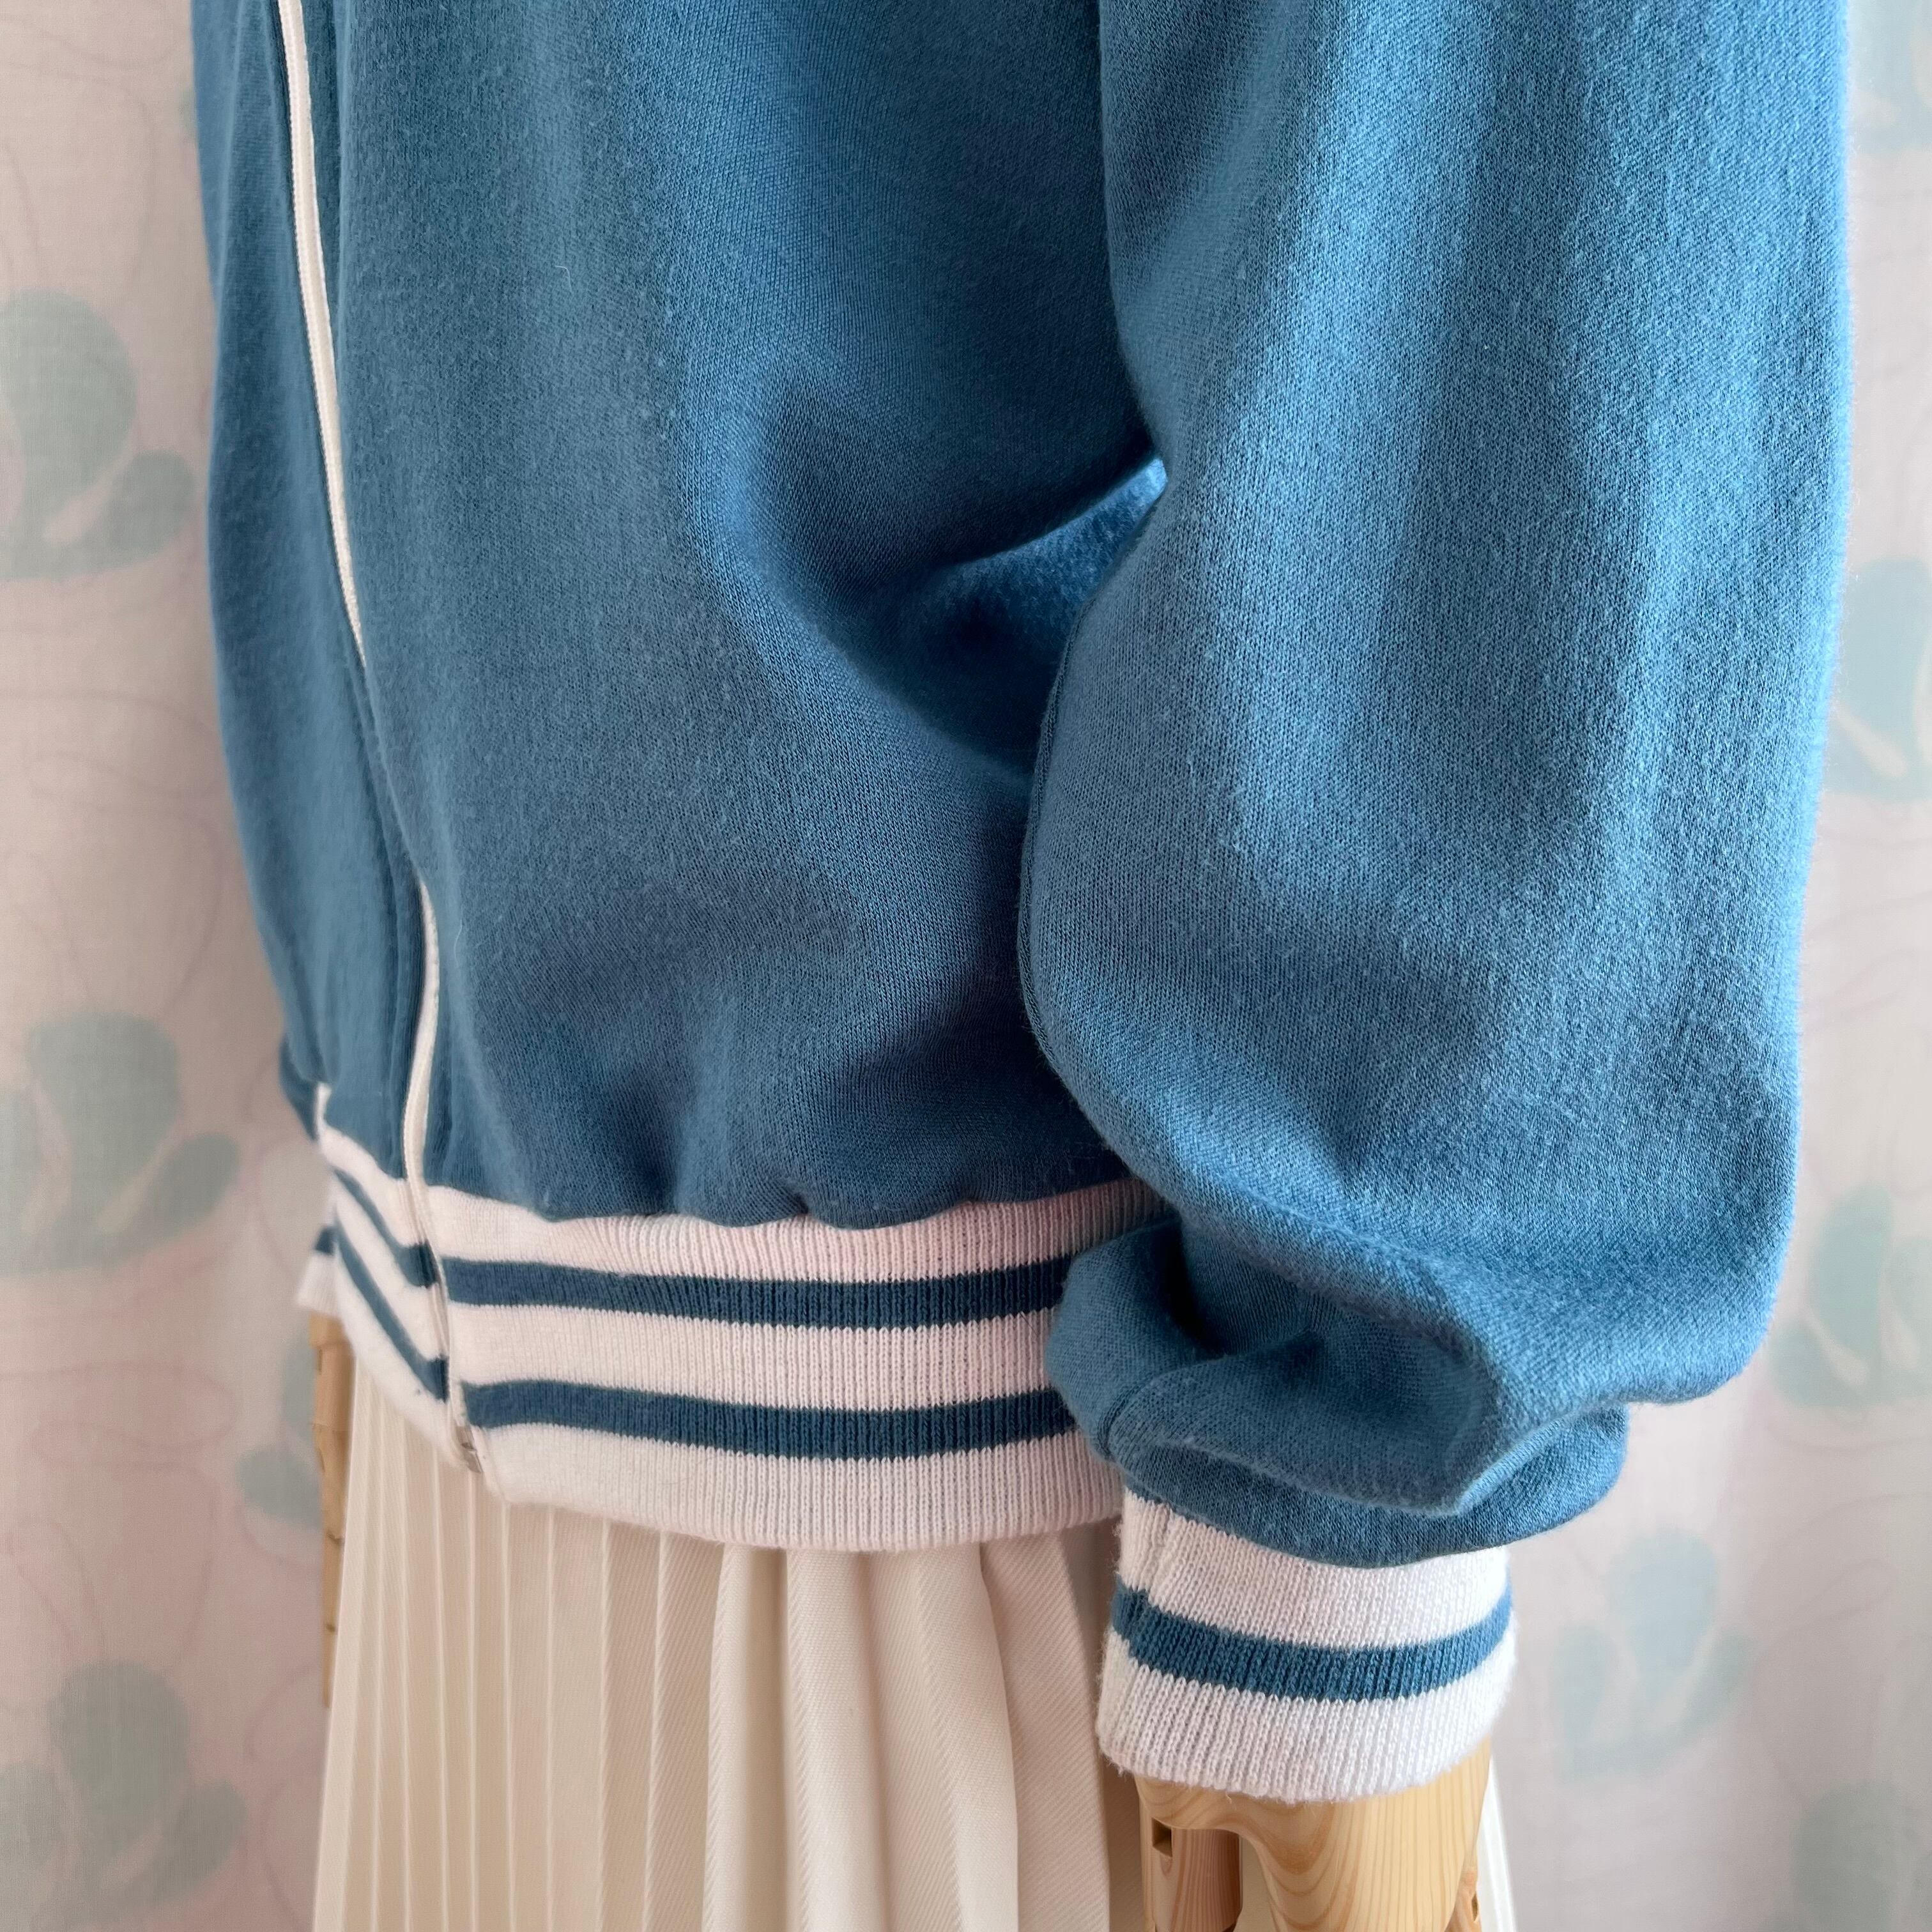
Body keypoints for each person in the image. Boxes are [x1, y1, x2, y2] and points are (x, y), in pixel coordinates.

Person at [189, 0, 1851, 1922]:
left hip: (1004, 1503)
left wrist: (1337, 1541)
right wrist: (389, 1170)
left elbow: (1526, 163)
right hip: (456, 1399)